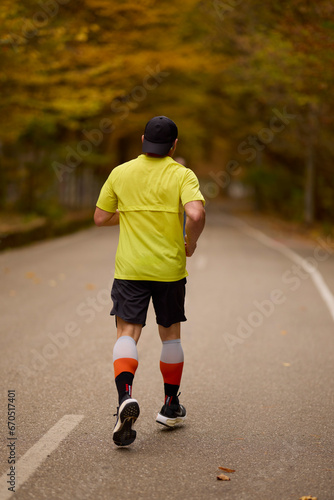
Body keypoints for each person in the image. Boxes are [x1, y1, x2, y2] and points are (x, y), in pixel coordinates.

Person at [94, 115, 205, 447]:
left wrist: (130, 213)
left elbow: (100, 218)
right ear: (174, 145)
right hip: (170, 269)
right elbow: (196, 213)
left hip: (130, 269)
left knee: (127, 332)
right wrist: (191, 242)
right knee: (170, 335)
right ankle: (171, 406)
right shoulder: (181, 174)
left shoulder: (121, 172)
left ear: (143, 139)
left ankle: (124, 398)